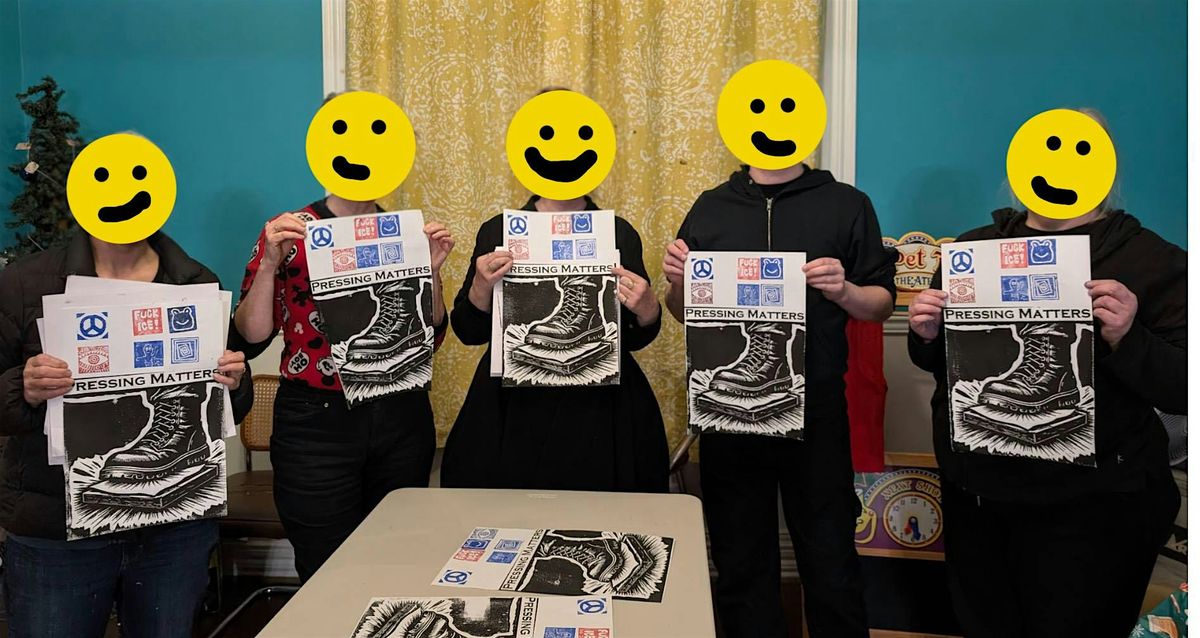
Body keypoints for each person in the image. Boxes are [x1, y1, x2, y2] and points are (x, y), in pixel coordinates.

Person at [907, 112, 1184, 638]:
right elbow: (942, 365)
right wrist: (925, 333)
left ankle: (1052, 378)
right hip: (980, 496)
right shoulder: (972, 251)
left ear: (1105, 167)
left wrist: (1130, 337)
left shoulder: (1152, 260)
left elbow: (1183, 387)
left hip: (1097, 509)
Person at [663, 161, 896, 637]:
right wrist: (681, 282)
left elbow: (882, 304)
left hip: (818, 411)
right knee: (739, 561)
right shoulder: (711, 206)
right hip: (727, 416)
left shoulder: (847, 204)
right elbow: (681, 310)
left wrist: (845, 289)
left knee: (830, 558)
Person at [0, 228, 251, 638]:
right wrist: (22, 388)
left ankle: (179, 442)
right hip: (54, 530)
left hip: (173, 533)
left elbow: (228, 406)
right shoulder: (23, 282)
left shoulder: (196, 282)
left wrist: (234, 382)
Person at [232, 192, 454, 582]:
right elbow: (251, 337)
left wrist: (430, 271)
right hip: (316, 422)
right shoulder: (291, 230)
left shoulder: (402, 232)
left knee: (397, 562)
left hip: (399, 412)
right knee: (325, 569)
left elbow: (430, 335)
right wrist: (269, 264)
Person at [440, 191, 668, 492]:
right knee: (503, 510)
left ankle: (585, 319)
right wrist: (481, 288)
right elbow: (469, 332)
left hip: (602, 408)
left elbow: (635, 337)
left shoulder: (617, 232)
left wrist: (649, 310)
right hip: (512, 407)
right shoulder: (499, 230)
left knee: (605, 510)